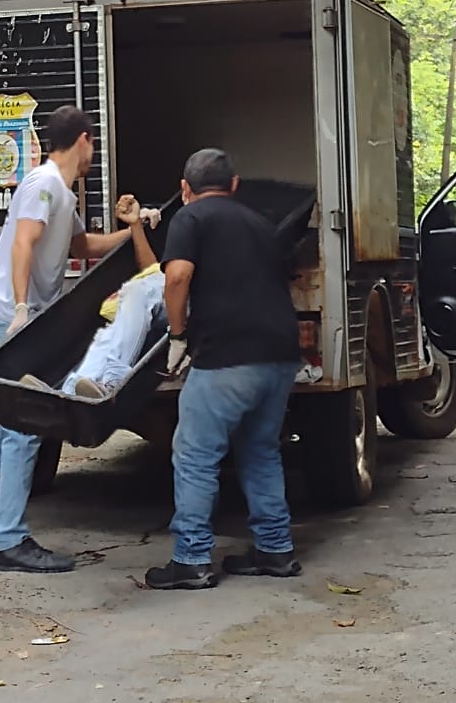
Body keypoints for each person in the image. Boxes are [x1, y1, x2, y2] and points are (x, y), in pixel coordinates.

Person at [0, 105, 136, 574]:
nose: (94, 153)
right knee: (26, 423)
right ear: (84, 140)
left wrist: (134, 232)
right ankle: (11, 541)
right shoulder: (44, 183)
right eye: (94, 144)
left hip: (17, 315)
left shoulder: (62, 194)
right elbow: (23, 243)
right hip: (13, 317)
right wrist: (20, 308)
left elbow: (82, 247)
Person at [144, 148, 303, 591]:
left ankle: (192, 559)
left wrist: (178, 335)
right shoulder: (261, 223)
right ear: (234, 186)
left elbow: (177, 277)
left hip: (228, 356)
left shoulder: (190, 218)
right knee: (260, 450)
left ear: (185, 189)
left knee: (195, 454)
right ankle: (275, 550)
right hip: (280, 355)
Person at [46, 199, 164, 400]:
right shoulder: (186, 221)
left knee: (136, 291)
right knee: (112, 331)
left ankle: (113, 381)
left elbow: (174, 278)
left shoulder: (197, 224)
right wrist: (136, 225)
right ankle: (71, 390)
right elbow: (152, 272)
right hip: (163, 290)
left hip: (188, 299)